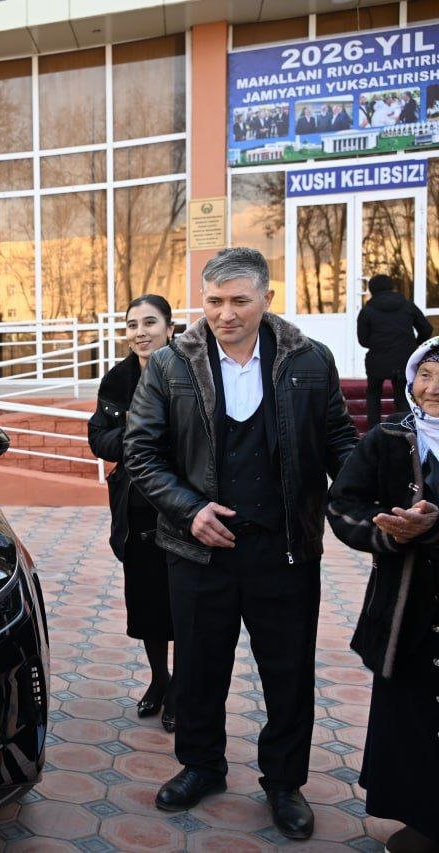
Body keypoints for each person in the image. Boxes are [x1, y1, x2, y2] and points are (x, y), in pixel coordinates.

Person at [125, 247, 358, 838]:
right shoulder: (170, 365)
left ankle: (284, 782)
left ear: (266, 299)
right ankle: (201, 766)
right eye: (214, 301)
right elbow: (141, 451)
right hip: (199, 550)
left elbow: (339, 440)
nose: (225, 314)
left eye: (239, 301)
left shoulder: (310, 360)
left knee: (288, 673)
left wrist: (368, 498)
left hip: (285, 549)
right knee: (199, 667)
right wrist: (189, 510)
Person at [327, 338, 439, 853]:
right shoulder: (389, 437)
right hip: (405, 608)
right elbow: (343, 505)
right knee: (411, 713)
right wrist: (388, 533)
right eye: (426, 375)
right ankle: (422, 820)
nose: (433, 388)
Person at [88, 295, 177, 733]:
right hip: (135, 513)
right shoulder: (117, 379)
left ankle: (183, 690)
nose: (140, 332)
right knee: (147, 608)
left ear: (170, 328)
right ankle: (160, 680)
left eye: (150, 322)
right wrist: (136, 434)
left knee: (185, 609)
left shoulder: (190, 372)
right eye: (132, 325)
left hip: (183, 512)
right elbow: (98, 440)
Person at [359, 274, 431, 429]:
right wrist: (414, 345)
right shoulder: (407, 305)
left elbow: (363, 340)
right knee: (403, 395)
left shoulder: (367, 310)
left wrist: (378, 344)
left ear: (371, 290)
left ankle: (374, 431)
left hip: (377, 360)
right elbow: (426, 329)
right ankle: (405, 430)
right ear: (392, 287)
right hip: (404, 359)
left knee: (373, 394)